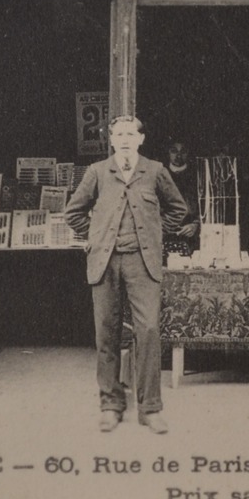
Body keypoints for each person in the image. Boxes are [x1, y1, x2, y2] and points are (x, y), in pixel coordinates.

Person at [63, 115, 196, 434]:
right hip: (105, 262)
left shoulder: (155, 171)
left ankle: (150, 408)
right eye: (118, 134)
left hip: (142, 262)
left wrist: (154, 235)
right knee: (106, 332)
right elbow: (73, 212)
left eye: (130, 134)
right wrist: (94, 239)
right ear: (110, 139)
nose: (124, 139)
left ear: (140, 139)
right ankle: (110, 404)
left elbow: (178, 210)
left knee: (148, 331)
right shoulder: (97, 172)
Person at [163, 140, 200, 258]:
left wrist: (196, 225)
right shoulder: (160, 175)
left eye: (183, 152)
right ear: (168, 153)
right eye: (174, 151)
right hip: (165, 235)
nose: (178, 156)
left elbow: (206, 205)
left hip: (192, 236)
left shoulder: (197, 176)